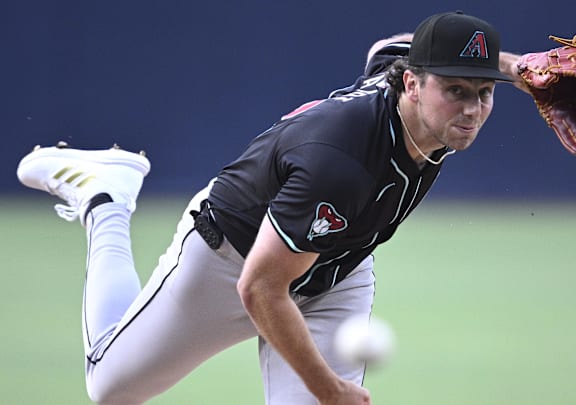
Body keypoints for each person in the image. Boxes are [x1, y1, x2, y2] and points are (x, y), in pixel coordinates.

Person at [17, 11, 529, 405]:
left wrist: (518, 69)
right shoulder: (341, 162)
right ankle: (105, 197)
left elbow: (387, 47)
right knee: (110, 387)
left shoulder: (403, 83)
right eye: (456, 90)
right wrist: (329, 389)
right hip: (230, 261)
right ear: (413, 84)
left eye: (485, 93)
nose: (471, 109)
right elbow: (260, 289)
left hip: (334, 267)